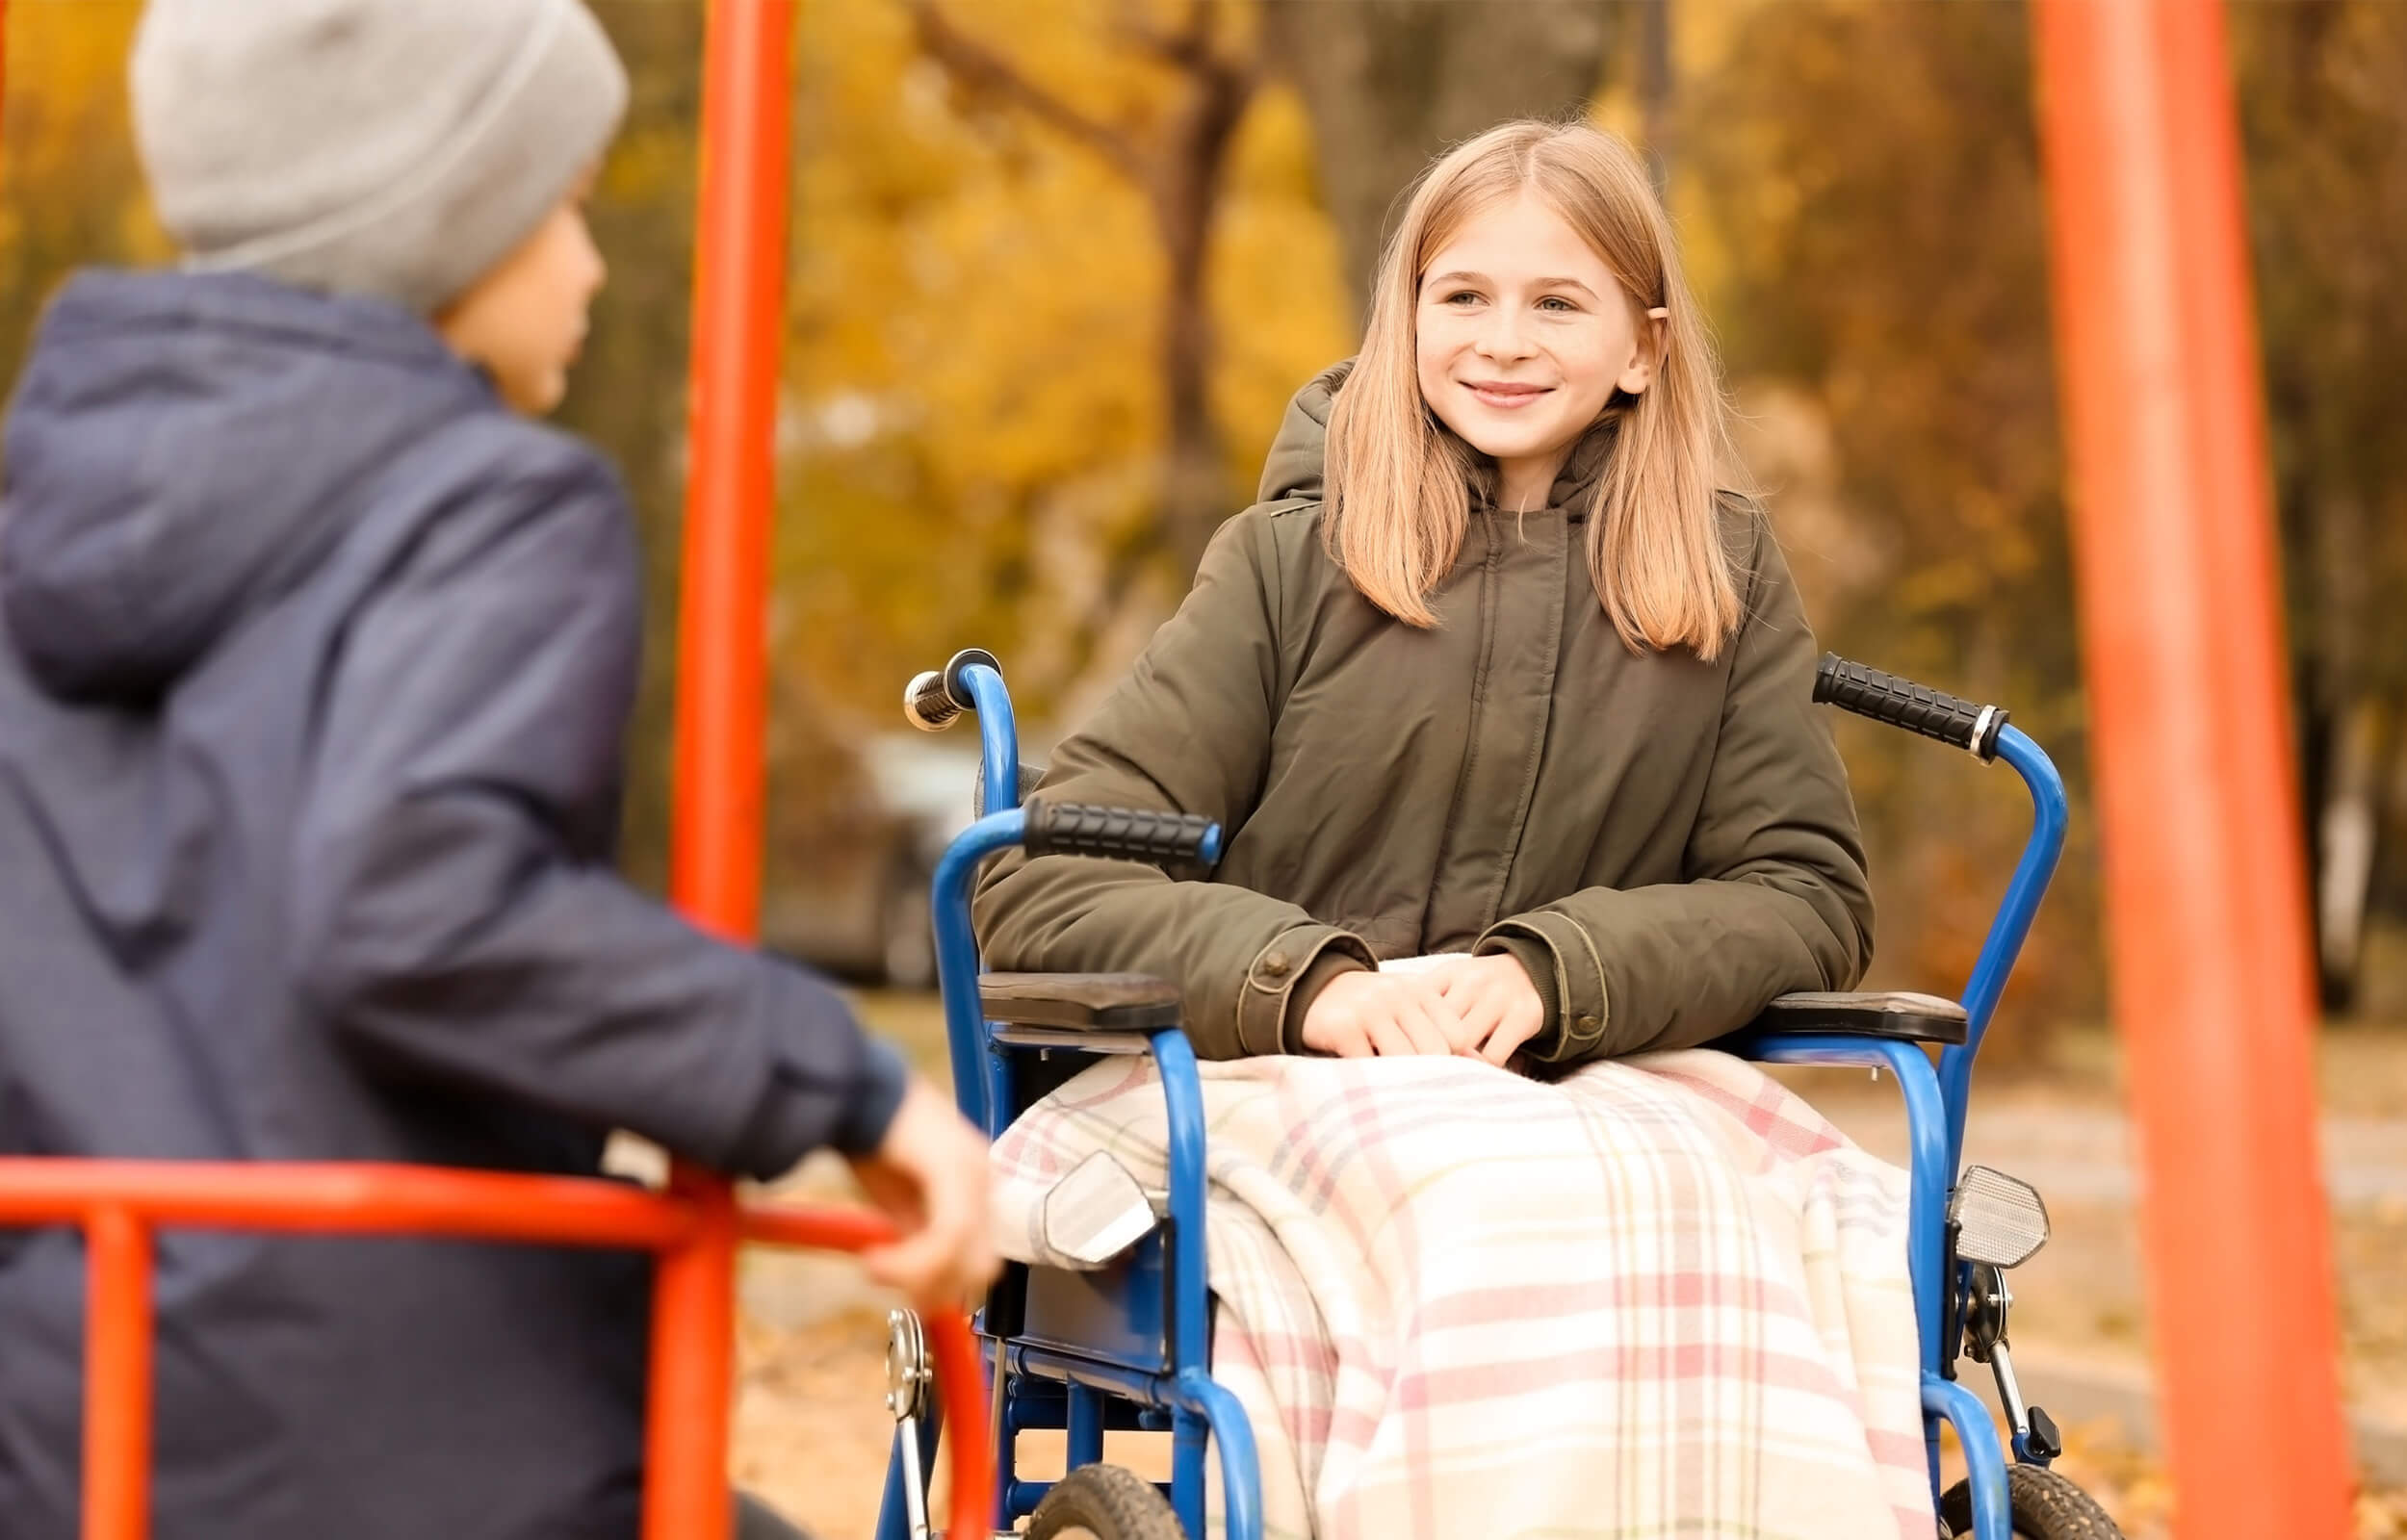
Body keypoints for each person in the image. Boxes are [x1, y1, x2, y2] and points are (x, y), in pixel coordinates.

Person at [0, 3, 994, 1538]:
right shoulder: (492, 508)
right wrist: (845, 1083)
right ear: (443, 214)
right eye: (566, 203)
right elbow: (417, 901)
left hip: (80, 1421)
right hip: (420, 1434)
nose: (589, 264)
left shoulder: (33, 530)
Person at [977, 122, 1931, 1537]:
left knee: (1726, 1205)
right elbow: (1045, 884)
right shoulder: (1290, 564)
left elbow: (1800, 891)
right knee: (1486, 1200)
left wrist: (1561, 973)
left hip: (1593, 1071)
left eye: (1559, 302)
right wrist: (1315, 983)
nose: (1504, 339)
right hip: (1283, 1072)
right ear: (1404, 319)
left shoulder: (1718, 577)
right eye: (1462, 296)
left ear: (1641, 347)